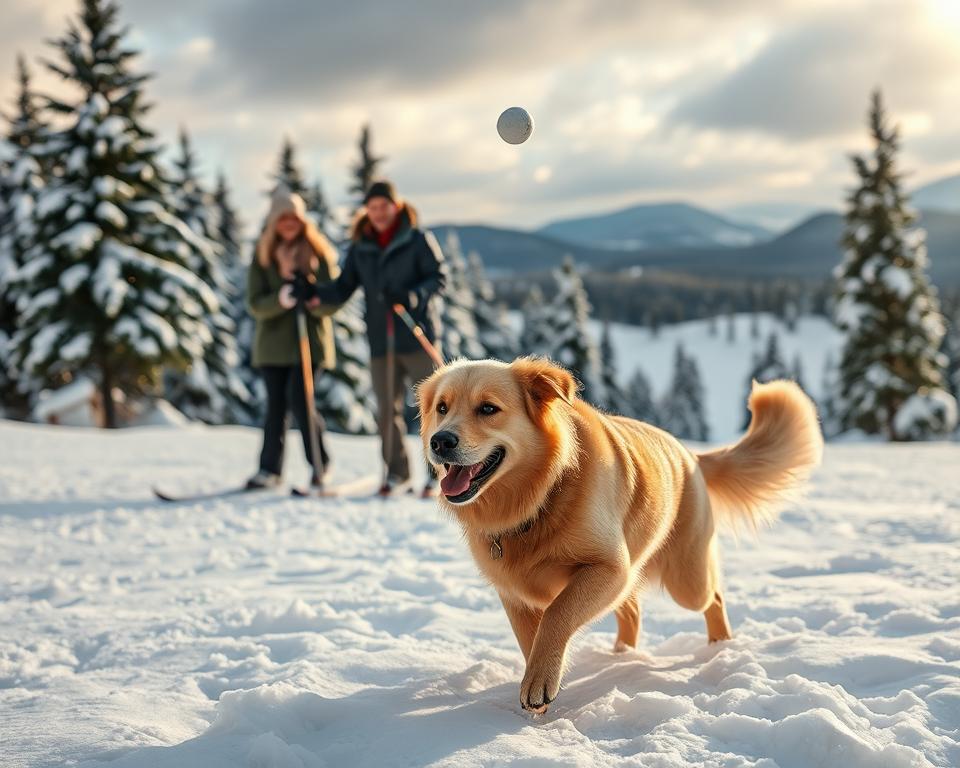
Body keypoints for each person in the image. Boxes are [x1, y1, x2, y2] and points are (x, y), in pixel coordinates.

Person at [312, 180, 446, 496]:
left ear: (396, 207)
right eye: (372, 208)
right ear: (366, 211)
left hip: (416, 336)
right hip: (380, 341)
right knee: (387, 410)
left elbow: (438, 278)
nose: (378, 213)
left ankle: (439, 472)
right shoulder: (361, 249)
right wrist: (313, 292)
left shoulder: (416, 240)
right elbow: (342, 287)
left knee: (434, 409)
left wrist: (412, 296)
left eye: (384, 206)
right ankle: (398, 473)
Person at [245, 187, 341, 490]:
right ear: (274, 221)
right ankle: (269, 469)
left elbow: (333, 298)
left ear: (301, 220)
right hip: (273, 347)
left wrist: (313, 298)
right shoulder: (263, 256)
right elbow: (255, 303)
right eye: (282, 218)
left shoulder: (317, 252)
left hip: (307, 344)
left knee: (302, 401)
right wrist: (281, 299)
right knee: (275, 407)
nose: (288, 223)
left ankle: (320, 464)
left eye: (293, 218)